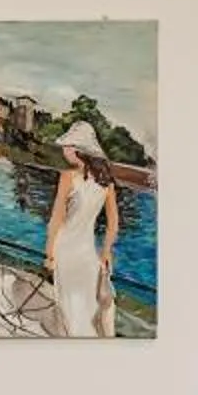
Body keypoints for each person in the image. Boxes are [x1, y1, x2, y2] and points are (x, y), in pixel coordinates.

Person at [42, 118, 121, 338]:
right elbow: (113, 223)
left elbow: (57, 218)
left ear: (78, 150)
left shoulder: (67, 177)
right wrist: (105, 252)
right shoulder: (107, 183)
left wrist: (49, 253)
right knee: (87, 310)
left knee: (68, 309)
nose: (64, 150)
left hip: (65, 250)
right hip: (88, 254)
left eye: (67, 146)